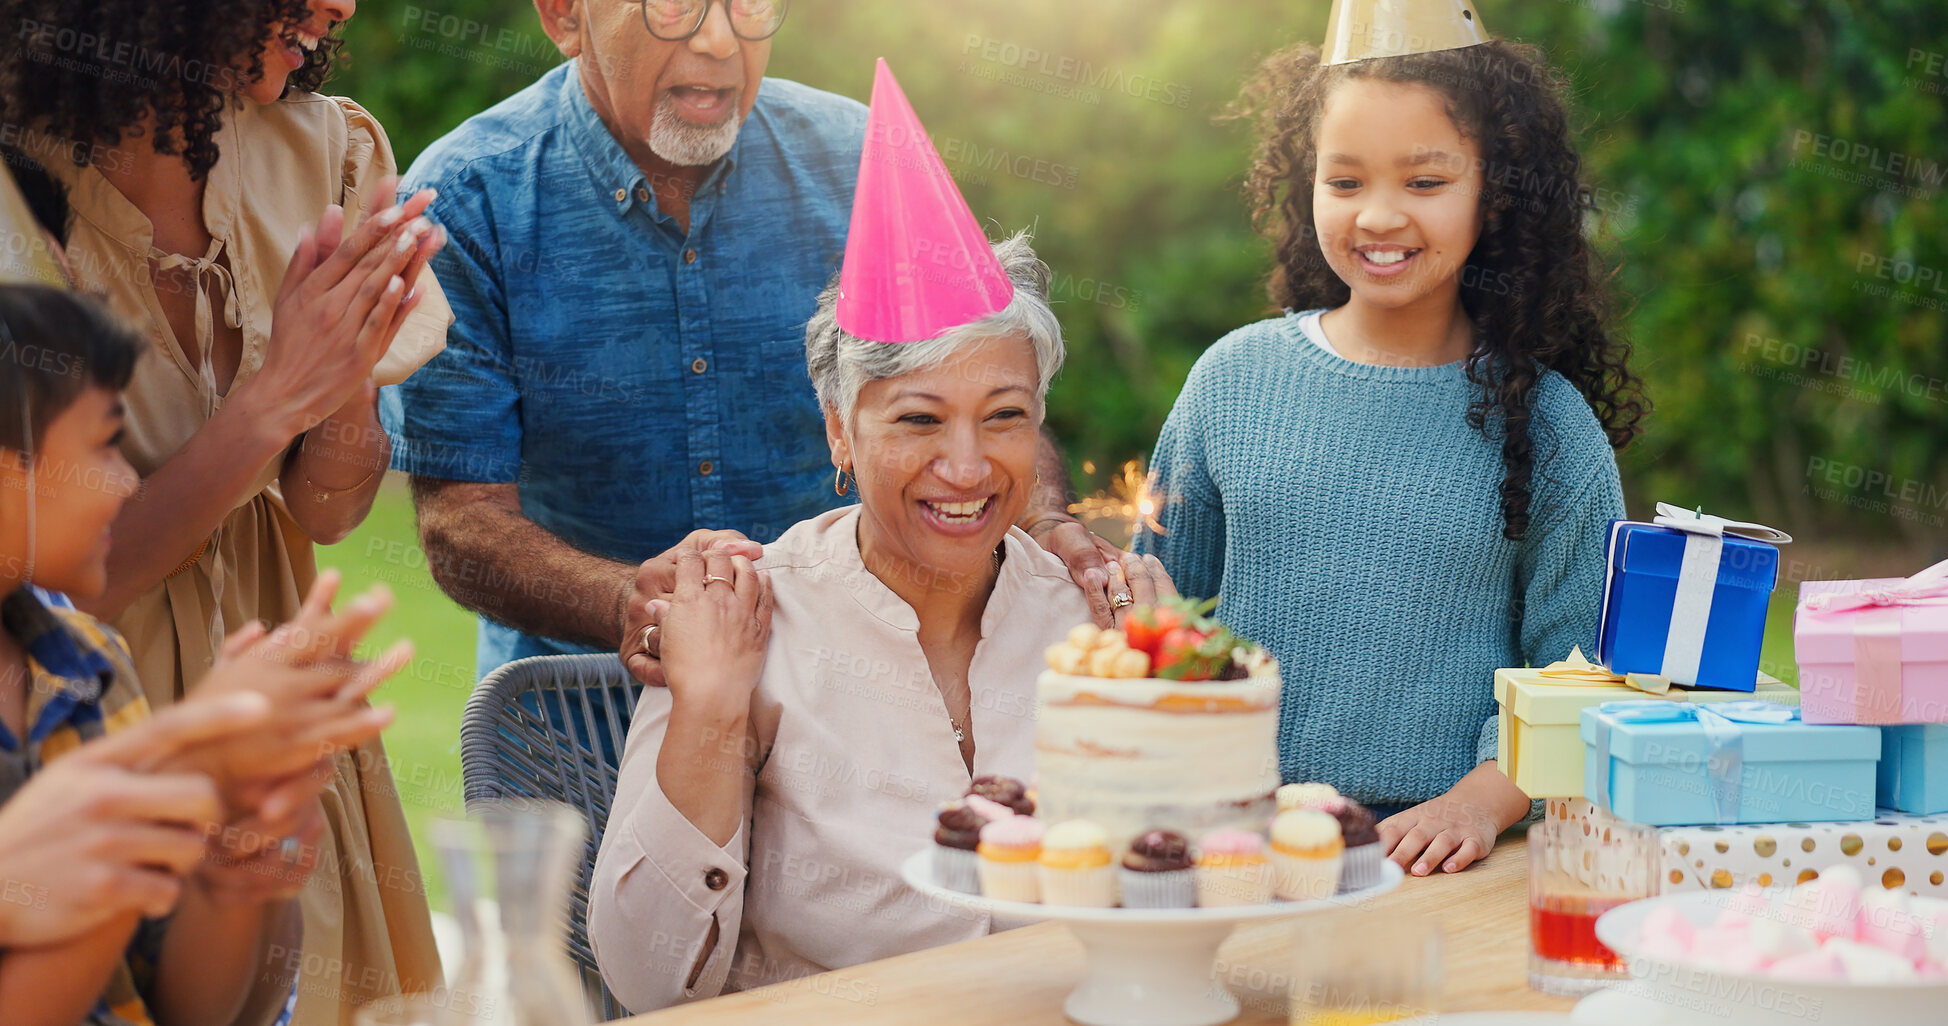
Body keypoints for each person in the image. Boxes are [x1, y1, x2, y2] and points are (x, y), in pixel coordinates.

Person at [381, 0, 1150, 690]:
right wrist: (626, 598)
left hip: (856, 693)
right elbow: (460, 517)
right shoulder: (468, 197)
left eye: (750, 3)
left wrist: (1046, 522)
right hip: (587, 709)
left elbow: (979, 391)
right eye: (674, 4)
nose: (720, 38)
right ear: (563, 15)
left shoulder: (857, 160)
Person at [0, 0, 452, 1018]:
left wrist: (341, 374)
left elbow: (330, 512)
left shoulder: (327, 149)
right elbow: (62, 570)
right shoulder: (11, 189)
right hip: (80, 718)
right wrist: (273, 398)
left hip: (277, 719)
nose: (338, 6)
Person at [1138, 2, 1647, 877]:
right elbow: (1163, 618)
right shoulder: (1231, 381)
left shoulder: (1552, 426)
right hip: (1237, 850)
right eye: (1345, 182)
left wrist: (1477, 805)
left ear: (1496, 190)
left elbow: (1579, 677)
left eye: (1424, 182)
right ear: (1307, 184)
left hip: (1442, 860)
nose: (1378, 217)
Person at [0, 284, 407, 1026]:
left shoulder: (86, 660)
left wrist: (230, 871)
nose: (127, 483)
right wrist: (185, 752)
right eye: (104, 445)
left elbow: (193, 1012)